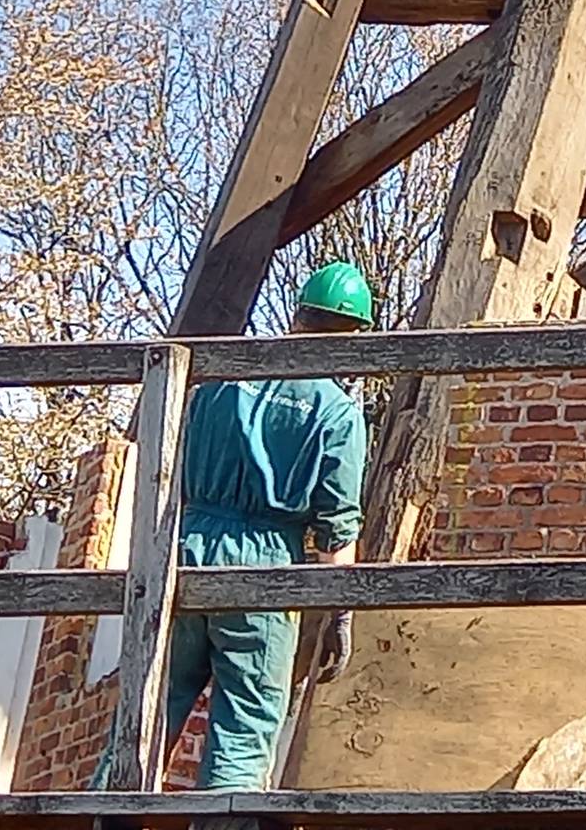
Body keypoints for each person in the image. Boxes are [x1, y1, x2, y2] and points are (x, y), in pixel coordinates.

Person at [156, 261, 375, 789]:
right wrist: (339, 615)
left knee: (151, 709)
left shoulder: (225, 379)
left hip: (187, 547)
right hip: (265, 562)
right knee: (244, 726)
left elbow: (171, 468)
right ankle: (221, 824)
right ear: (356, 335)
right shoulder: (337, 413)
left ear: (298, 317)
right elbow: (336, 529)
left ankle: (106, 815)